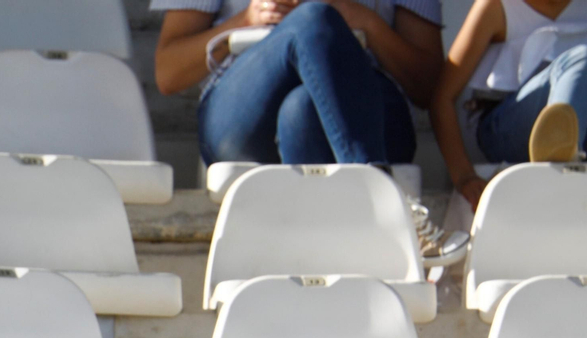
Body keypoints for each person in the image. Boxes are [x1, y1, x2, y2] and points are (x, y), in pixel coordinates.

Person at [153, 0, 466, 261]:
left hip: (366, 107)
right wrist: (248, 18)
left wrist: (362, 20)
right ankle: (387, 209)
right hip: (243, 116)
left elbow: (428, 86)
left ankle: (320, 262)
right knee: (313, 17)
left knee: (301, 109)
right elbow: (168, 72)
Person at [430, 0, 587, 208]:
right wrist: (464, 176)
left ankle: (565, 154)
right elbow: (442, 99)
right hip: (501, 131)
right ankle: (561, 165)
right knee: (580, 60)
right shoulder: (497, 7)